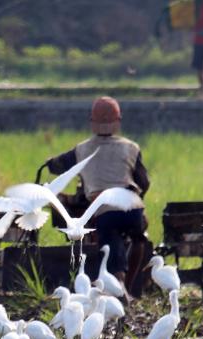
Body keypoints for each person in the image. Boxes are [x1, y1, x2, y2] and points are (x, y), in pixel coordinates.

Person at [45, 96, 150, 298]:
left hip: (104, 211)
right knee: (139, 240)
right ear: (118, 121)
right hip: (132, 208)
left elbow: (57, 166)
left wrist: (49, 162)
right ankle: (128, 286)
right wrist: (137, 200)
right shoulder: (131, 148)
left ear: (92, 122)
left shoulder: (81, 149)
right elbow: (144, 182)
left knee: (111, 246)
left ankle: (120, 288)